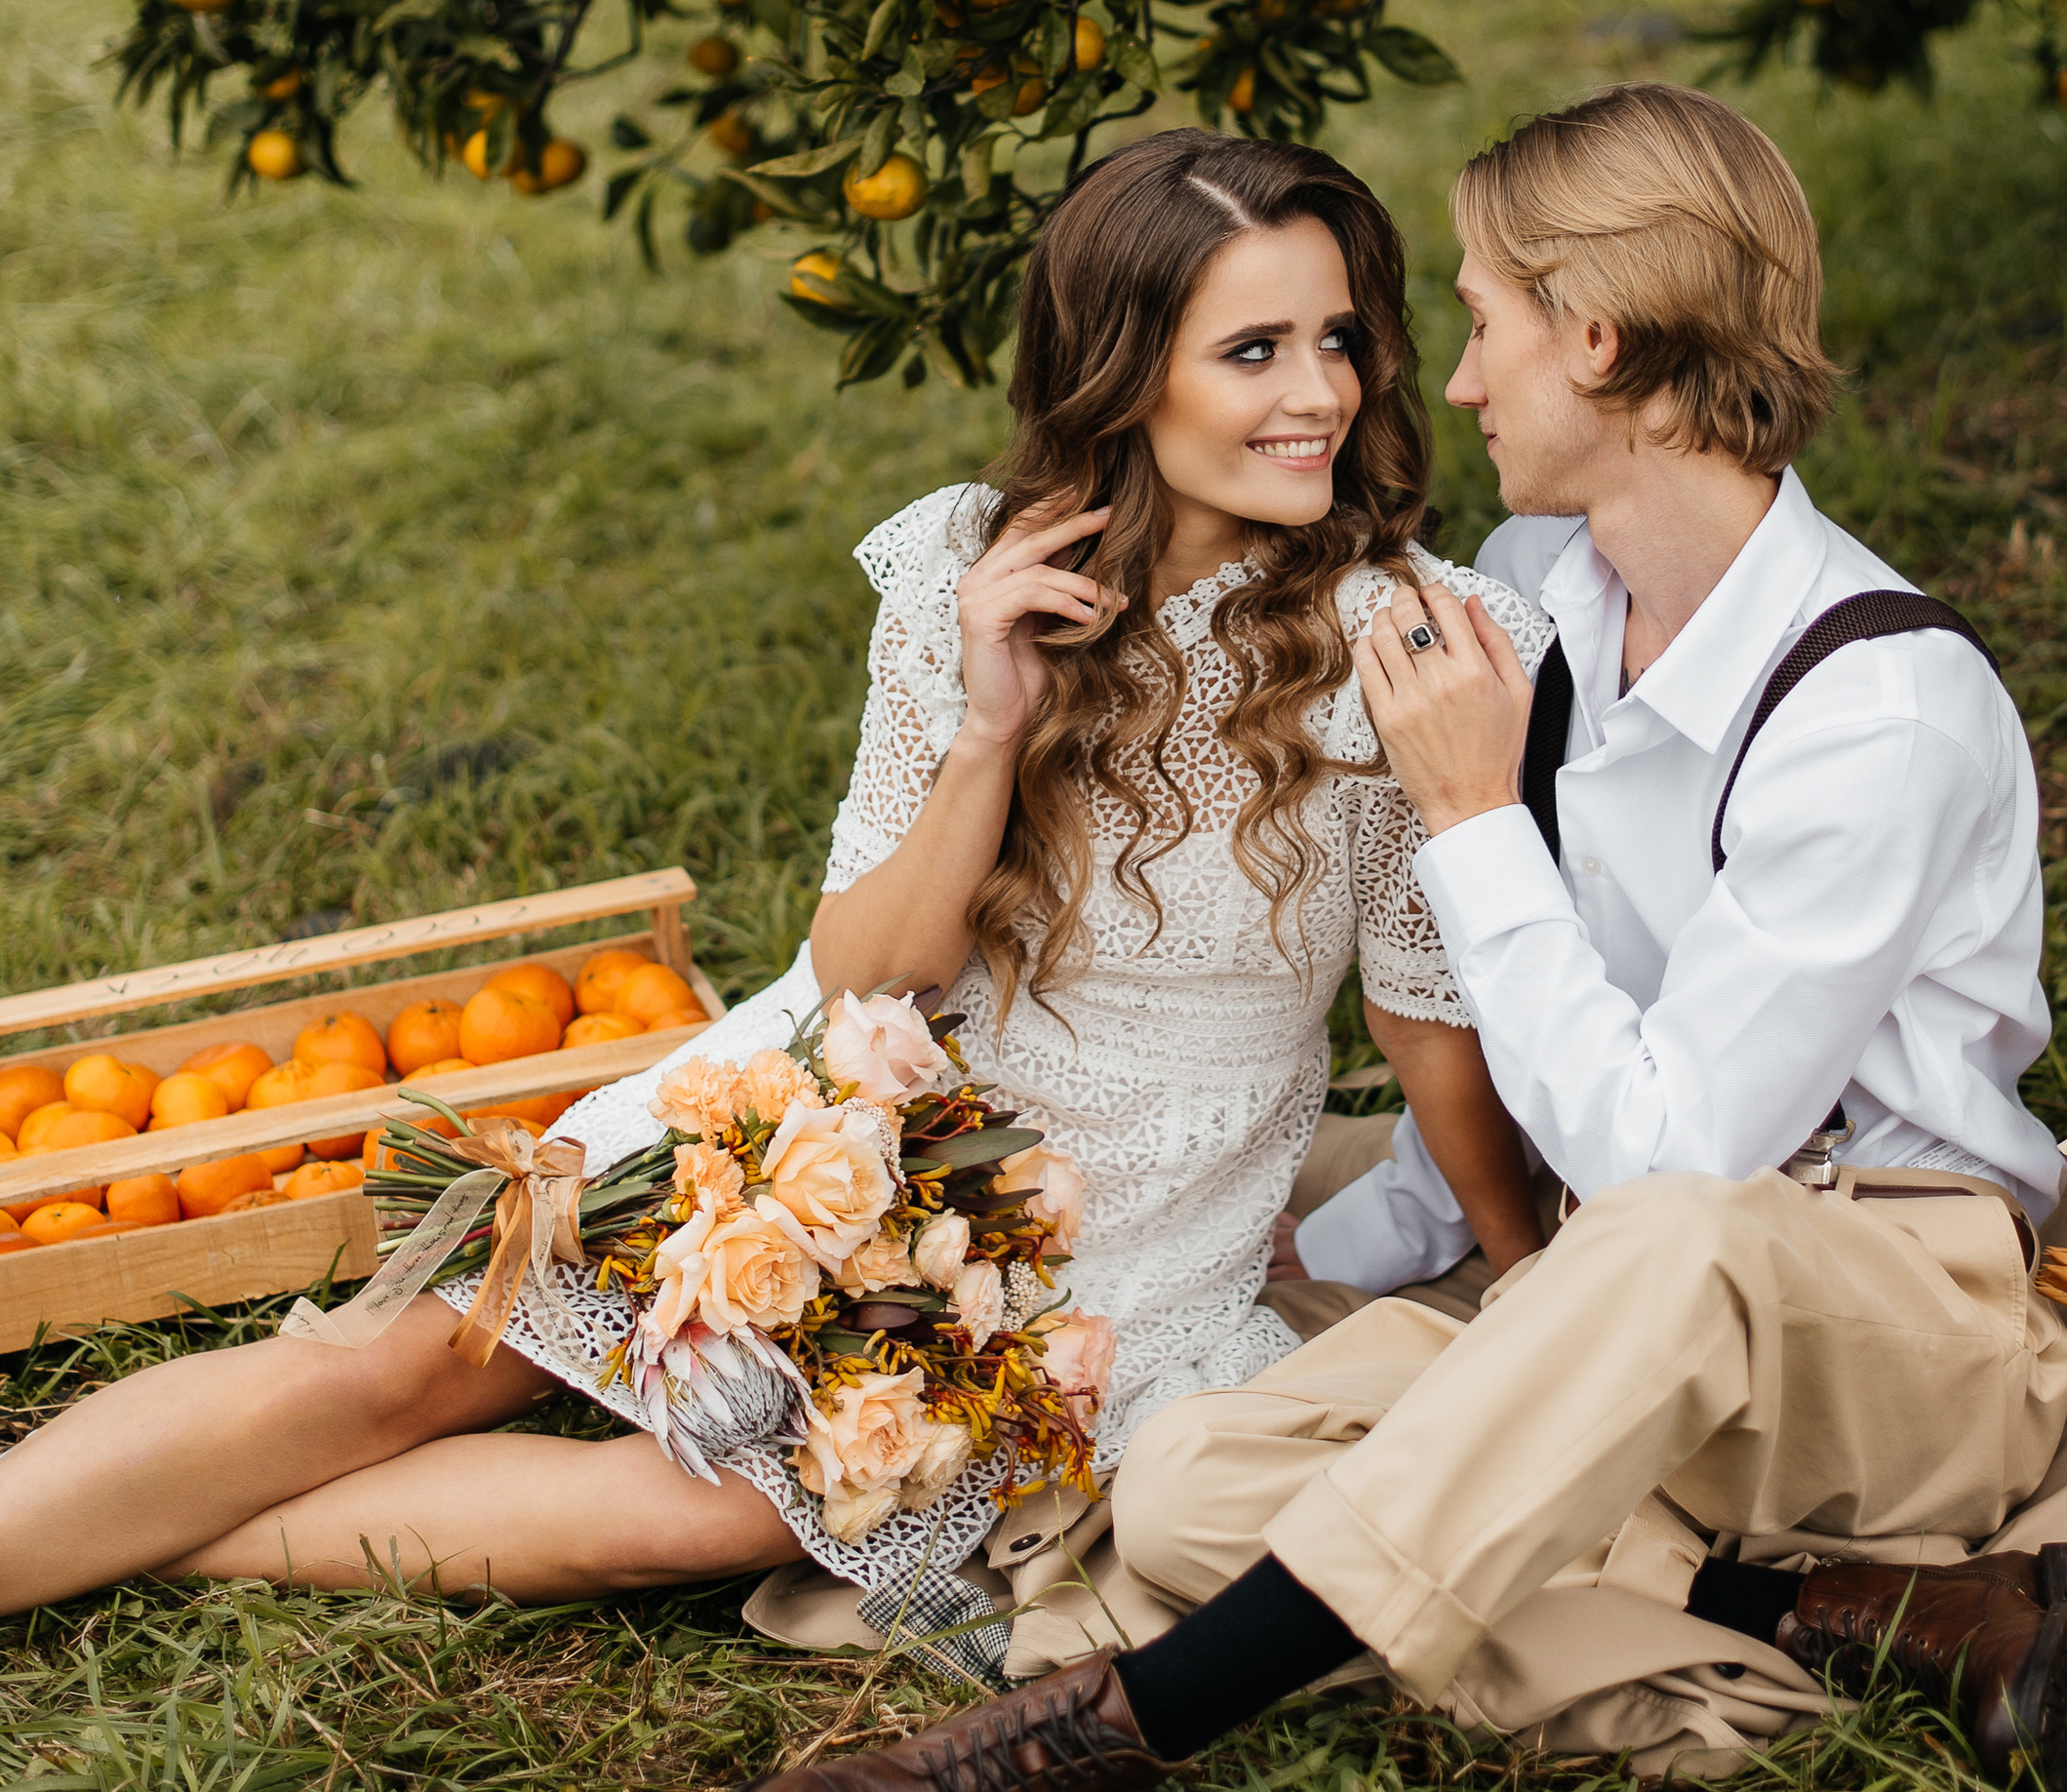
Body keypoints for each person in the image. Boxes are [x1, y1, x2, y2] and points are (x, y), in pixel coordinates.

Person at [713, 83, 2067, 1792]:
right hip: (1621, 1307)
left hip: (1887, 1316)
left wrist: (1480, 816)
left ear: (1598, 336)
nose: (1456, 385)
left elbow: (1674, 1160)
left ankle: (1088, 1745)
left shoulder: (1877, 707)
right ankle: (1849, 1615)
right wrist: (1393, 1242)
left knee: (1666, 1234)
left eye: (1483, 322)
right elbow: (1473, 1044)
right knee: (1185, 1483)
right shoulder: (1548, 601)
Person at [0, 130, 1544, 1620]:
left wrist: (1531, 1278)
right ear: (1127, 374)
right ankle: (81, 1523)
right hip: (836, 1105)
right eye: (1255, 352)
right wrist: (988, 731)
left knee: (718, 1509)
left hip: (1120, 1223)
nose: (1321, 395)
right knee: (394, 1364)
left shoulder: (1420, 644)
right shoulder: (969, 567)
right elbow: (868, 971)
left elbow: (1426, 1019)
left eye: (1339, 338)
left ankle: (146, 1525)